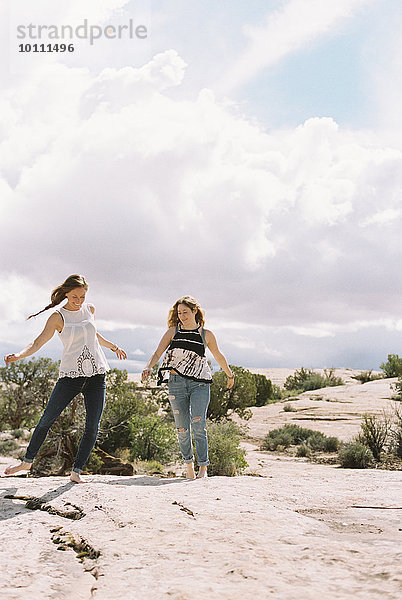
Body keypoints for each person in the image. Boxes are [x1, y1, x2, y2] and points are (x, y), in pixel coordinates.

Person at [2, 274, 127, 483]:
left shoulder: (90, 310)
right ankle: (27, 462)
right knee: (46, 420)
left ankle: (76, 471)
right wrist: (19, 355)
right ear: (66, 293)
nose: (79, 301)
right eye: (75, 297)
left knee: (92, 426)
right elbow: (38, 342)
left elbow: (94, 334)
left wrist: (114, 346)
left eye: (83, 296)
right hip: (71, 377)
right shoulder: (58, 317)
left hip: (96, 375)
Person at [142, 296, 234, 479]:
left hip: (200, 383)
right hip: (176, 384)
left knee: (199, 424)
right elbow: (158, 352)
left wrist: (229, 374)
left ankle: (203, 468)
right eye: (179, 313)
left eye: (185, 312)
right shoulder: (172, 332)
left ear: (194, 311)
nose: (182, 316)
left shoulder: (205, 334)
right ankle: (189, 465)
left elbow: (218, 355)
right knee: (182, 428)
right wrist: (148, 366)